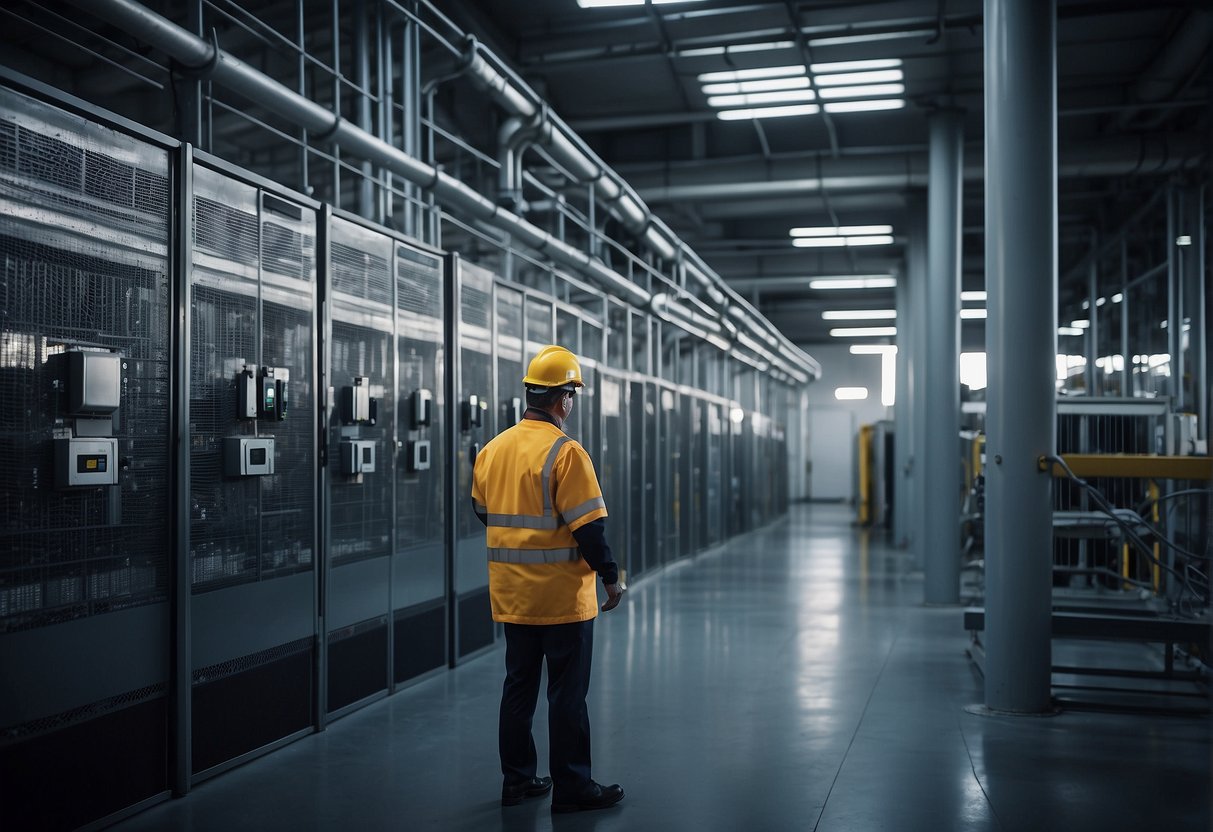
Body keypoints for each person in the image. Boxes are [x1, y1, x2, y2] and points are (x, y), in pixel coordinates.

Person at [472, 344, 626, 814]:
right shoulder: (566, 453)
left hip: (513, 595)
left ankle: (516, 781)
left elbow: (483, 511)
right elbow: (589, 529)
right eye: (572, 395)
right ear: (563, 399)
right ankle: (573, 787)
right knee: (566, 694)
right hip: (562, 600)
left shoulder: (492, 450)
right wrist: (611, 579)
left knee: (518, 688)